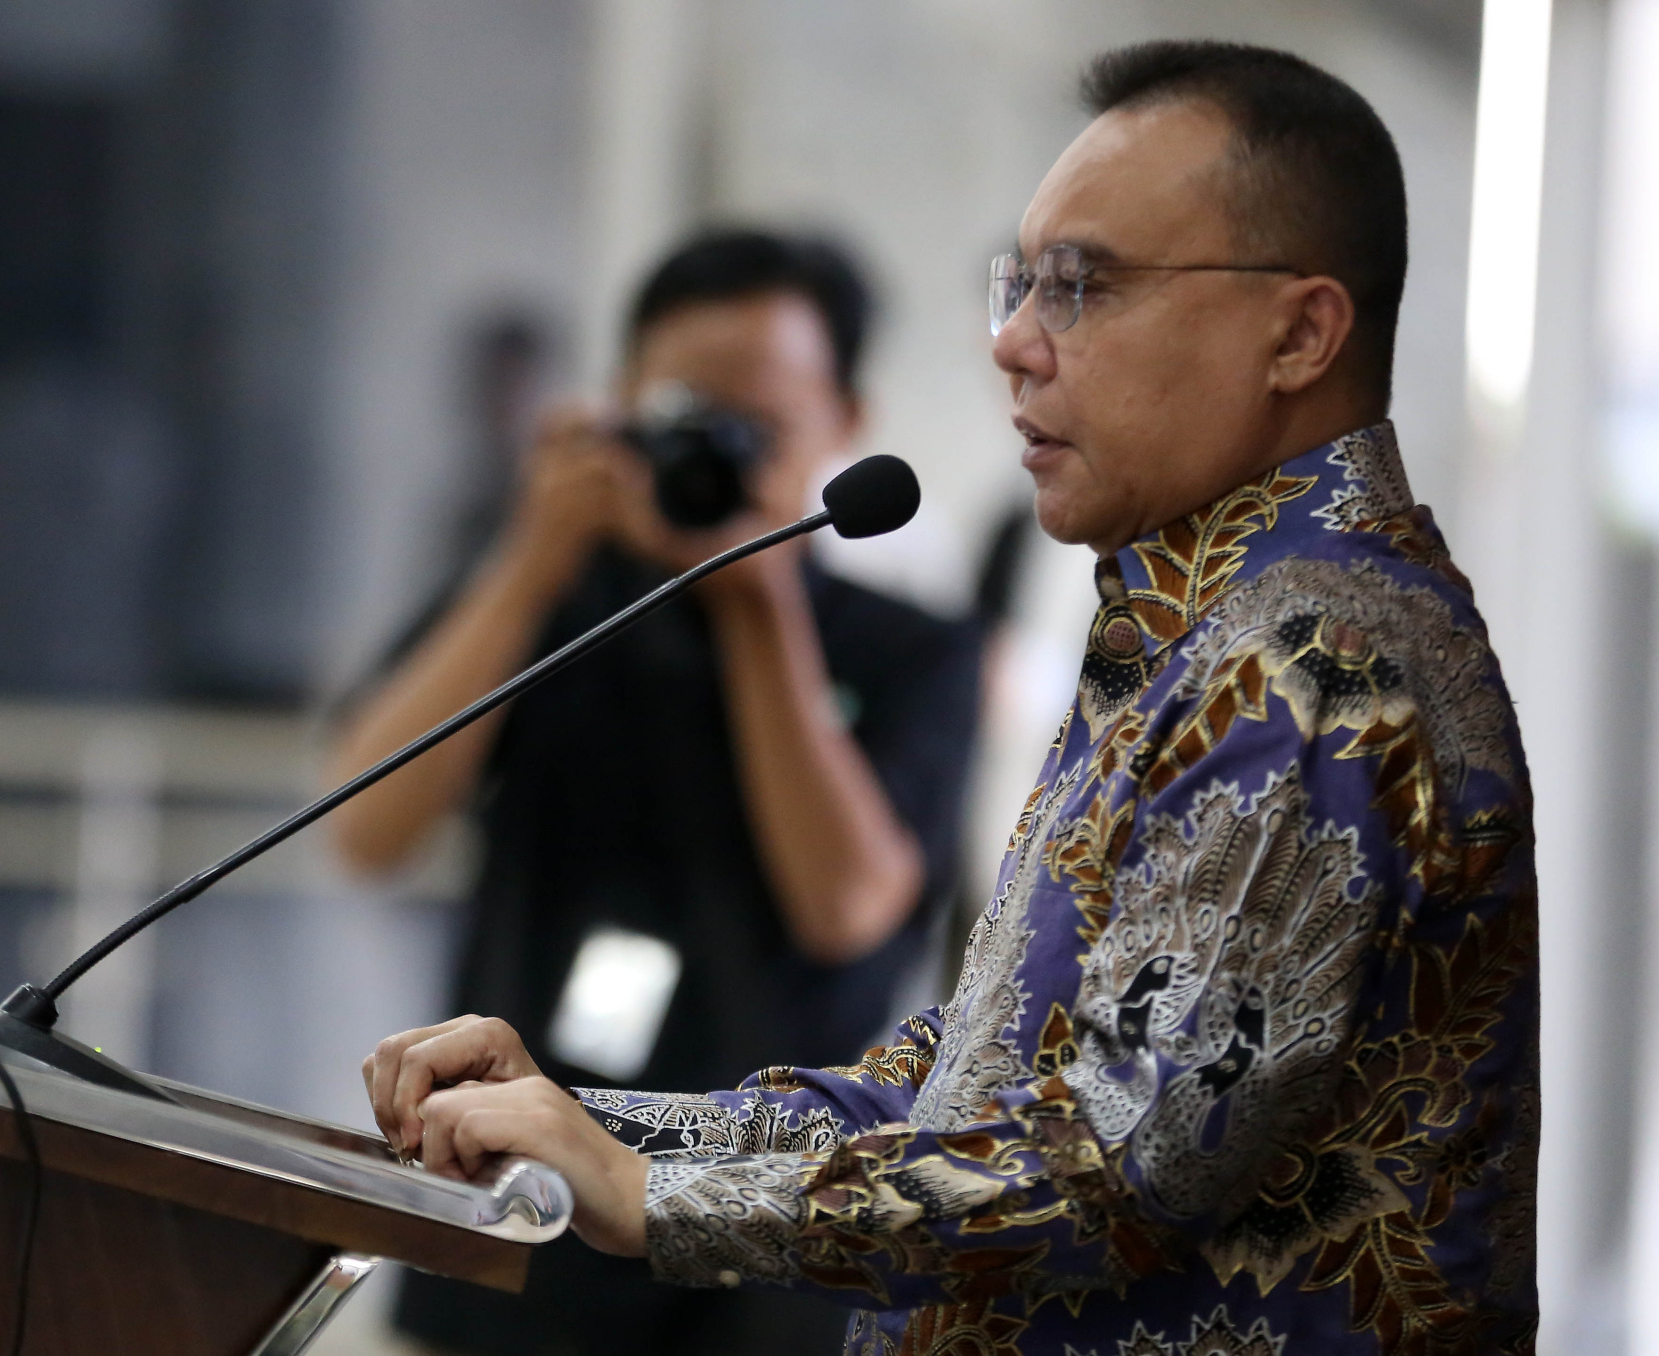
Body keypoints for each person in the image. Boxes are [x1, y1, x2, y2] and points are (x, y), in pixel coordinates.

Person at [361, 41, 1538, 1356]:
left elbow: (1114, 1160)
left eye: (1082, 286)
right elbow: (981, 1074)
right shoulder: (1208, 635)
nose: (1014, 343)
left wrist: (655, 1197)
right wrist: (594, 1126)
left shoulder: (1316, 659)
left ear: (1301, 332)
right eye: (1019, 285)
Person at [326, 231, 984, 1352]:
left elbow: (848, 908)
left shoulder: (907, 649)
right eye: (687, 416)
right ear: (621, 402)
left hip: (766, 1231)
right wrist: (531, 558)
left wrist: (760, 607)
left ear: (845, 422)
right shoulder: (559, 600)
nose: (717, 456)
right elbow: (364, 830)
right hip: (510, 1217)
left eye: (757, 428)